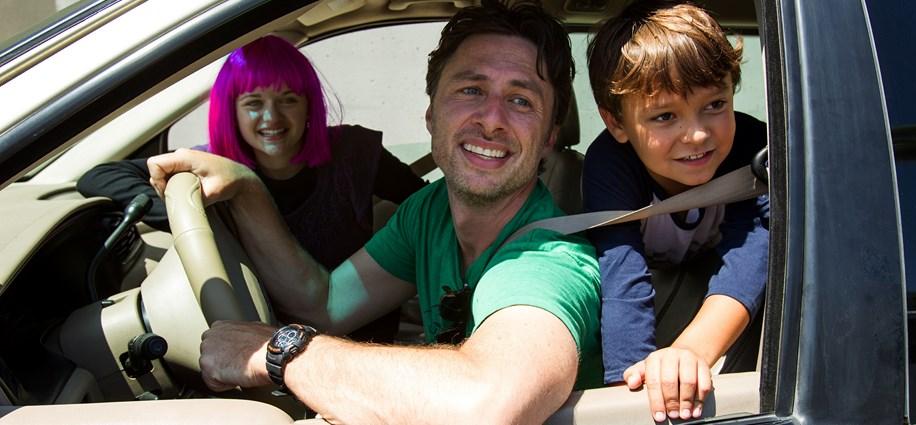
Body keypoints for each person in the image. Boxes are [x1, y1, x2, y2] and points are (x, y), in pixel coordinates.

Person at [146, 1, 602, 423]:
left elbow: (484, 407)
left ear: (549, 134)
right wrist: (249, 191)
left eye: (521, 100)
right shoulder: (430, 211)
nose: (492, 119)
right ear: (431, 115)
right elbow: (326, 304)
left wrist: (278, 351)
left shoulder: (548, 262)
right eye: (471, 89)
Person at [77, 35, 426, 342]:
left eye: (288, 99)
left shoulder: (354, 152)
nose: (272, 118)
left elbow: (427, 205)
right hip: (265, 339)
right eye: (254, 103)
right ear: (232, 111)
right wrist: (195, 216)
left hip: (362, 333)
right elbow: (100, 176)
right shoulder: (212, 166)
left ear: (309, 105)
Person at [583, 0, 769, 422]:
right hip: (652, 291)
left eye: (715, 105)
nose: (698, 134)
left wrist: (688, 352)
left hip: (722, 303)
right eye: (665, 116)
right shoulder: (611, 164)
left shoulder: (752, 148)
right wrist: (628, 393)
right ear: (616, 123)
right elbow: (621, 273)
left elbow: (753, 251)